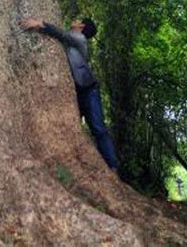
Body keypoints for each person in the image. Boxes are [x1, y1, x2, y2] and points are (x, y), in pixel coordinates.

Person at [20, 16, 118, 171]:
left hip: (89, 90)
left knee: (98, 128)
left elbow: (63, 35)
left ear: (81, 26)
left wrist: (41, 23)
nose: (74, 20)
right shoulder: (74, 40)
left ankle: (112, 166)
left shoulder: (79, 39)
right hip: (77, 92)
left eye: (78, 20)